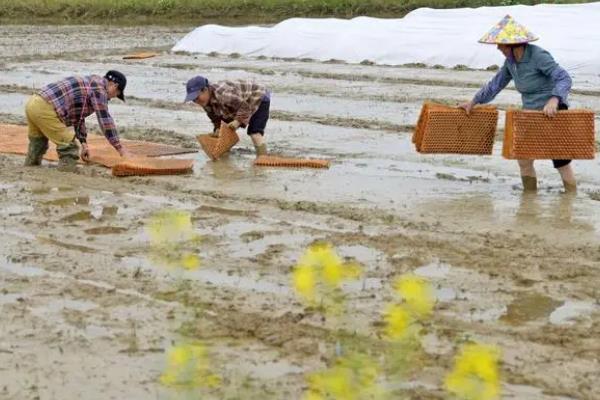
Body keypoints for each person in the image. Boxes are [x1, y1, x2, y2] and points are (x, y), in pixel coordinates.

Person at [460, 15, 575, 192]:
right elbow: (495, 84)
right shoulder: (510, 63)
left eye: (501, 44)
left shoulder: (538, 56)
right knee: (524, 160)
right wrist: (473, 102)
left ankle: (570, 200)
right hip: (529, 114)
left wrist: (554, 99)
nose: (498, 47)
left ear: (514, 45)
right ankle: (529, 199)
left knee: (561, 163)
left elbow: (563, 78)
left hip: (552, 111)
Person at [24, 70, 131, 171]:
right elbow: (105, 120)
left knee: (38, 142)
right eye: (117, 94)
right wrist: (121, 149)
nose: (112, 98)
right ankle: (66, 176)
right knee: (69, 147)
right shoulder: (99, 90)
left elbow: (78, 116)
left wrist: (83, 143)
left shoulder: (92, 82)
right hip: (45, 108)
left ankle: (30, 168)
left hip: (33, 103)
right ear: (114, 86)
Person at [184, 76, 270, 156]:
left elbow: (245, 107)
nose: (196, 101)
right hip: (238, 102)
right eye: (193, 100)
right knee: (221, 133)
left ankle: (262, 157)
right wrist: (218, 128)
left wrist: (237, 121)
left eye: (197, 97)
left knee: (254, 133)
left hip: (258, 96)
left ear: (205, 90)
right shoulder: (205, 102)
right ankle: (224, 156)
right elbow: (214, 117)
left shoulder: (224, 95)